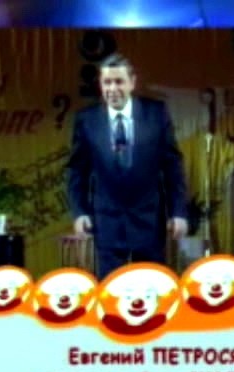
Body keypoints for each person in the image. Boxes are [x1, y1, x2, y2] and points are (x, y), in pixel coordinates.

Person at [67, 53, 188, 280]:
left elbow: (172, 166)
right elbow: (77, 170)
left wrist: (178, 212)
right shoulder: (87, 120)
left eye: (119, 81)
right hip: (107, 222)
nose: (113, 88)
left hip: (149, 221)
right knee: (112, 289)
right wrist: (79, 211)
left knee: (151, 287)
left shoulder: (156, 113)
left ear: (132, 82)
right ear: (100, 85)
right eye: (107, 82)